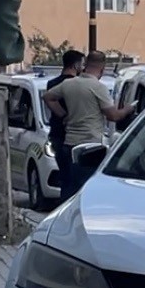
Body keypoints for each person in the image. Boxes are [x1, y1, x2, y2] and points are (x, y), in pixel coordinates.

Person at [44, 53, 132, 197]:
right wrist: (128, 109)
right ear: (102, 68)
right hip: (89, 147)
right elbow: (113, 116)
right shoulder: (98, 88)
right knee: (85, 190)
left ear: (85, 65)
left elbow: (47, 97)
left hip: (69, 143)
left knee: (68, 186)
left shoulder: (68, 84)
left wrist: (63, 114)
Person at [44, 49, 83, 199]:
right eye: (82, 64)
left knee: (65, 177)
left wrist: (60, 114)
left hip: (57, 134)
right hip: (72, 136)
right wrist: (67, 116)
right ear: (76, 65)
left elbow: (49, 100)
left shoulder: (52, 83)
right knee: (74, 179)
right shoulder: (74, 85)